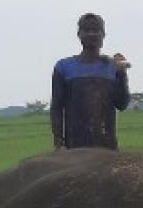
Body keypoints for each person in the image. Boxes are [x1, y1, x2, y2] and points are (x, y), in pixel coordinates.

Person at [51, 13, 130, 150]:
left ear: (103, 34)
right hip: (74, 146)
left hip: (107, 146)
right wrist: (59, 143)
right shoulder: (64, 67)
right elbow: (57, 107)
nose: (91, 34)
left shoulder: (113, 67)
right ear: (79, 34)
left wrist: (122, 74)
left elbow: (122, 104)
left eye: (96, 30)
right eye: (86, 30)